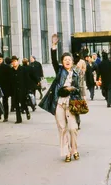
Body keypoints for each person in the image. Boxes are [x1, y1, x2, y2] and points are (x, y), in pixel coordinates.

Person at [39, 34, 83, 162]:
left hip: (71, 102)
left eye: (69, 59)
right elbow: (53, 60)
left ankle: (75, 149)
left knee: (73, 128)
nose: (67, 61)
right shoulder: (59, 70)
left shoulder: (76, 73)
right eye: (65, 60)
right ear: (62, 62)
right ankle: (67, 153)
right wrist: (53, 46)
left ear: (72, 61)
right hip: (59, 103)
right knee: (62, 129)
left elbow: (80, 89)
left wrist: (73, 89)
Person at [10, 56, 33, 123]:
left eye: (15, 61)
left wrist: (28, 89)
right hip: (15, 90)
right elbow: (10, 81)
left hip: (23, 90)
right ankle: (18, 119)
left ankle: (27, 110)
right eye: (12, 62)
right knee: (16, 104)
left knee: (23, 103)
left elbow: (27, 79)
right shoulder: (11, 70)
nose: (14, 63)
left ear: (18, 62)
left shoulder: (23, 69)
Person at [0, 53, 12, 122]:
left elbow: (10, 78)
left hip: (5, 87)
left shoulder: (6, 67)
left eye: (0, 59)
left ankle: (6, 116)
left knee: (5, 102)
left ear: (2, 59)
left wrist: (9, 87)